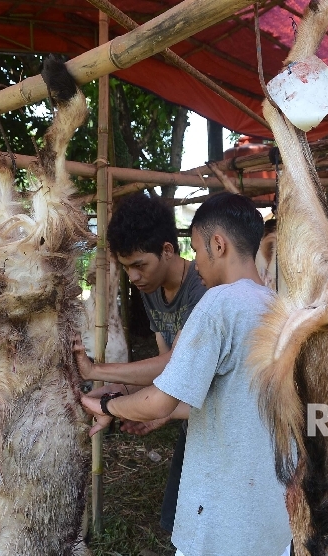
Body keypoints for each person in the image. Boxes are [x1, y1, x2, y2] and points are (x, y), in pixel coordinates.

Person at [76, 192, 292, 556]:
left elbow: (162, 401)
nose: (196, 262)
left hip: (222, 524)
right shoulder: (280, 309)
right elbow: (225, 404)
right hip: (271, 518)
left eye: (196, 249)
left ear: (218, 245)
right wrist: (128, 398)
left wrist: (109, 406)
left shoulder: (218, 304)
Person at [77, 192, 206, 534]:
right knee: (178, 515)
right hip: (193, 409)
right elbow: (166, 365)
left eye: (139, 265)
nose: (132, 276)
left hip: (217, 407)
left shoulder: (200, 290)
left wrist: (96, 374)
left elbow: (171, 364)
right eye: (126, 267)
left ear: (167, 250)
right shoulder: (151, 290)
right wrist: (143, 403)